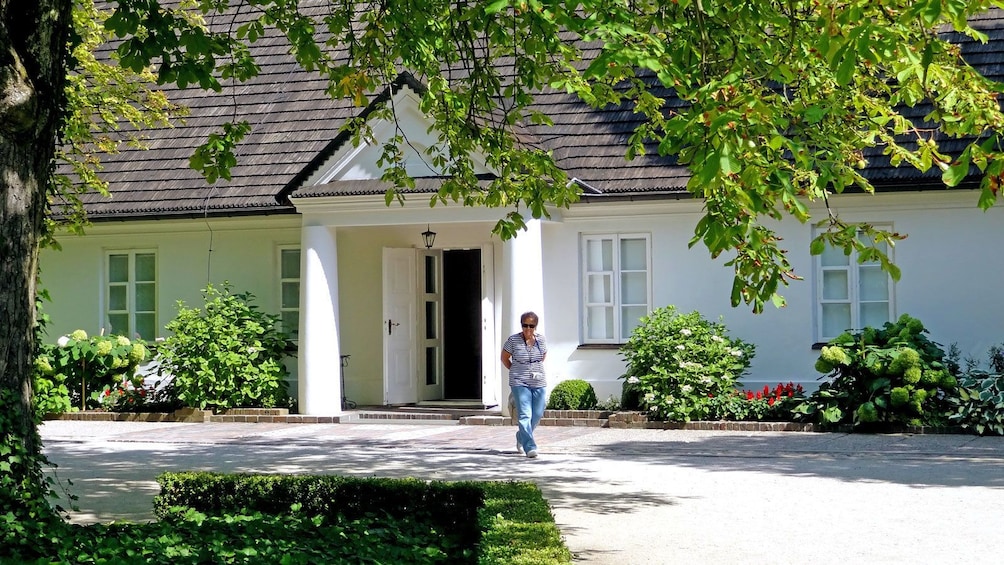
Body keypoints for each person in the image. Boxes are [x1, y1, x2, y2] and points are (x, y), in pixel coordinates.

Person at [501, 311, 547, 458]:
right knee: (525, 414)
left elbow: (543, 356)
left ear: (535, 326)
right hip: (519, 381)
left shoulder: (541, 340)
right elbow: (504, 358)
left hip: (538, 381)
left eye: (531, 326)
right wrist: (516, 370)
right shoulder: (513, 340)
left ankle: (521, 436)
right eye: (525, 325)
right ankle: (530, 447)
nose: (528, 329)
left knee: (538, 413)